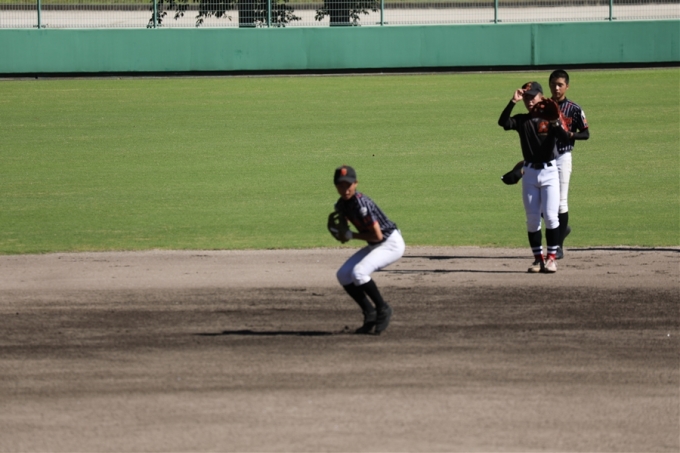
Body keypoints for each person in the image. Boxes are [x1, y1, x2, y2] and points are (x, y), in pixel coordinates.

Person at [498, 81, 571, 273]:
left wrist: (555, 121)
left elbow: (565, 139)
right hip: (529, 173)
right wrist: (513, 101)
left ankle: (552, 259)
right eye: (526, 97)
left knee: (551, 217)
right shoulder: (522, 120)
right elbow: (503, 122)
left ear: (541, 97)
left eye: (532, 96)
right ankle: (538, 259)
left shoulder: (552, 118)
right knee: (532, 220)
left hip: (550, 173)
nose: (529, 100)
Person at [332, 165, 405, 334]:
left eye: (348, 185)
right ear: (335, 186)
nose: (345, 189)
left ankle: (383, 308)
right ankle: (370, 313)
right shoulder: (341, 205)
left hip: (391, 244)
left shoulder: (362, 204)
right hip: (375, 244)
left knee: (359, 273)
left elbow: (377, 236)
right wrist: (341, 233)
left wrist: (351, 235)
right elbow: (345, 227)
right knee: (343, 275)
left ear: (356, 183)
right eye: (341, 185)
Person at [549, 69, 590, 259]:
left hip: (563, 157)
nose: (556, 88)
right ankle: (562, 229)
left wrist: (569, 134)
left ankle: (558, 246)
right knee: (541, 203)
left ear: (567, 86)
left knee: (561, 202)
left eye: (560, 85)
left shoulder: (574, 108)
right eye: (553, 84)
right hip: (544, 157)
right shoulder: (543, 106)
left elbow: (586, 133)